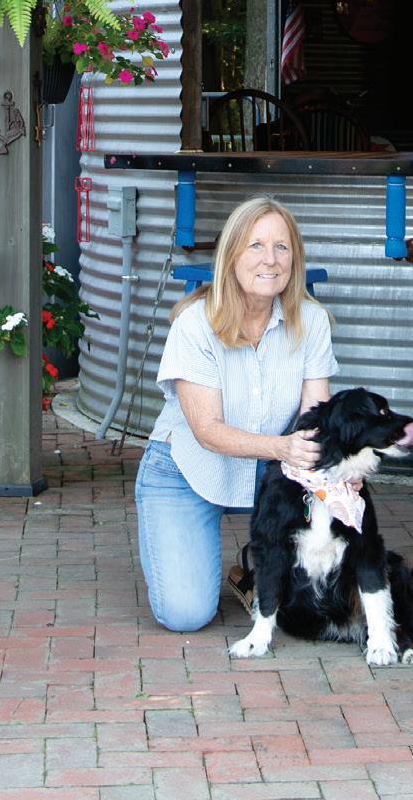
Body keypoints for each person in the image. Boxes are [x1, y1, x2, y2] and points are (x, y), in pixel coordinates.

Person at [136, 196, 335, 632]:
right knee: (186, 614)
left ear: (295, 258)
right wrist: (285, 448)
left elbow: (315, 419)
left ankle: (253, 561)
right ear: (231, 255)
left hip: (269, 467)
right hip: (187, 468)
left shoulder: (313, 321)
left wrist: (337, 471)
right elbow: (207, 431)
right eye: (255, 246)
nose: (270, 260)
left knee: (313, 600)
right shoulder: (195, 323)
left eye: (281, 247)